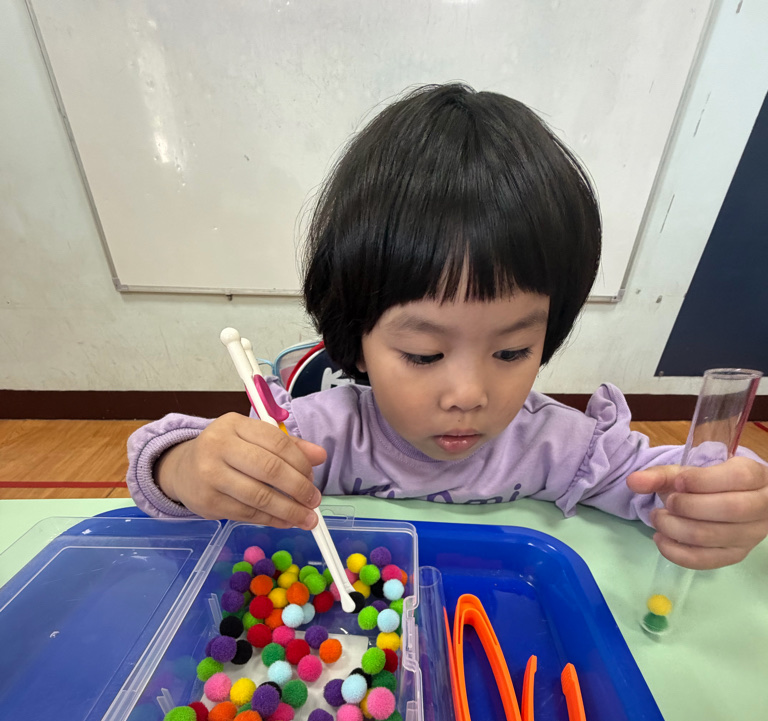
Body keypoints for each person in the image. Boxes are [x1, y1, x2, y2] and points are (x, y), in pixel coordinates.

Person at [127, 84, 768, 570]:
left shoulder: (558, 447)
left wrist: (721, 498)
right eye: (424, 354)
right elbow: (159, 467)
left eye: (512, 350)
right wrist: (187, 470)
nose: (469, 394)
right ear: (358, 338)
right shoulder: (319, 436)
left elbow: (667, 481)